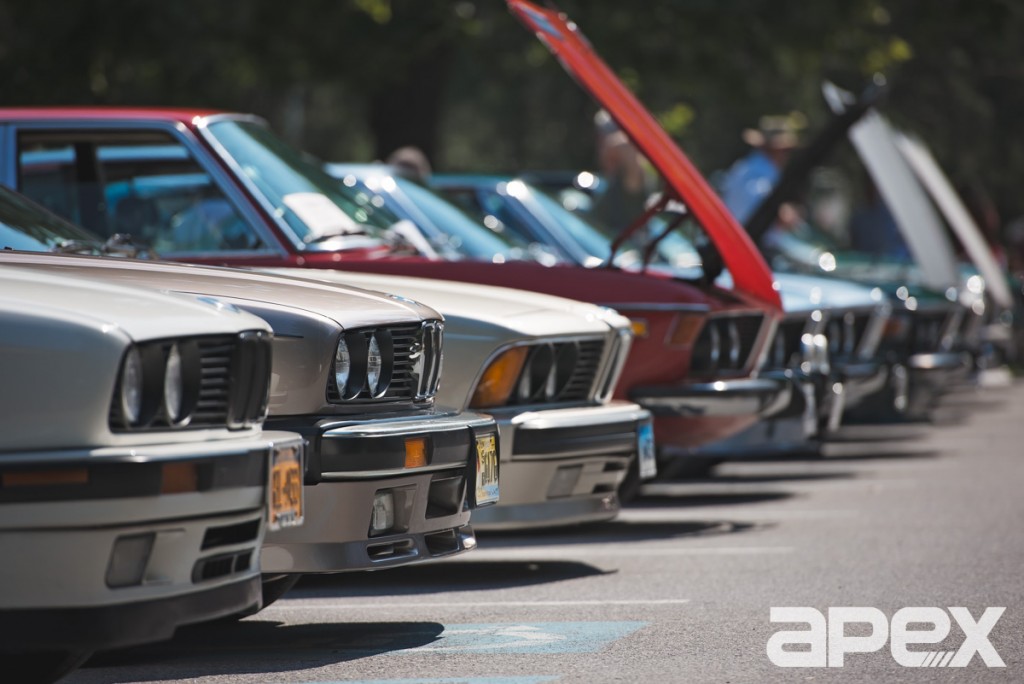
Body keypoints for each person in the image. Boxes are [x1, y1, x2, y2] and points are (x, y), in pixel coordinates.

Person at [720, 114, 803, 225]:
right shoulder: (764, 173)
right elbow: (757, 202)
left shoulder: (747, 165)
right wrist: (784, 216)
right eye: (787, 151)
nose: (787, 156)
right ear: (777, 150)